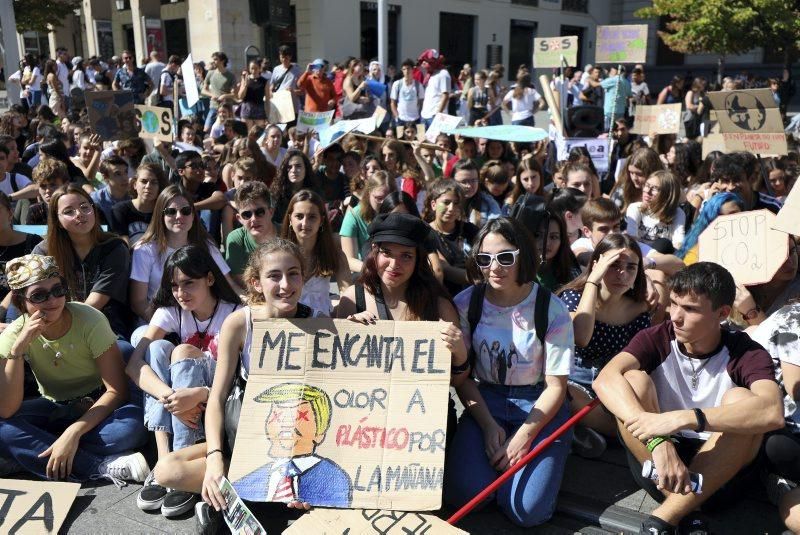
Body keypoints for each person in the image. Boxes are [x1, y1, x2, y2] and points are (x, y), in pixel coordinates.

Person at [145, 239, 325, 529]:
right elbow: (217, 398)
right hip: (242, 442)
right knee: (166, 471)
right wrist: (215, 459)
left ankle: (235, 496)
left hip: (294, 445)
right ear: (255, 283)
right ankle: (237, 489)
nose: (285, 284)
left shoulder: (320, 323)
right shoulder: (240, 323)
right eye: (274, 276)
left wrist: (360, 325)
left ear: (303, 277)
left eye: (293, 274)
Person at [593, 262, 784, 535]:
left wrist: (686, 418)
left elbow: (772, 412)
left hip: (720, 475)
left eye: (691, 309)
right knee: (632, 379)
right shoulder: (657, 337)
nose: (675, 316)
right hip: (660, 467)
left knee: (743, 401)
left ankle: (664, 518)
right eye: (673, 303)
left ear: (722, 314)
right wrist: (660, 442)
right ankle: (687, 511)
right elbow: (605, 379)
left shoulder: (747, 352)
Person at [445, 217, 574, 527]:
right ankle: (505, 473)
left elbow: (556, 386)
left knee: (527, 512)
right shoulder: (466, 303)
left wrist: (525, 436)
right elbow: (462, 377)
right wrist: (488, 426)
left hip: (539, 403)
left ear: (522, 256)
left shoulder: (551, 309)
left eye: (505, 257)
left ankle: (552, 453)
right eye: (485, 259)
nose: (494, 267)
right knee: (460, 495)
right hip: (486, 398)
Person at [0, 254, 149, 485]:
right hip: (55, 406)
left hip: (100, 402)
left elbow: (117, 392)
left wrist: (73, 432)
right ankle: (98, 465)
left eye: (58, 290)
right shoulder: (14, 335)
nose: (53, 300)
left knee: (129, 432)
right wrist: (19, 348)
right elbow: (7, 409)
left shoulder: (89, 319)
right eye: (39, 295)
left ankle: (33, 451)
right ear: (21, 303)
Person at [127, 245, 241, 517]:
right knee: (155, 350)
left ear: (210, 279)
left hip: (219, 398)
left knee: (181, 351)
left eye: (189, 283)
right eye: (174, 285)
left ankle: (184, 455)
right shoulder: (171, 311)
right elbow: (133, 366)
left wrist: (199, 394)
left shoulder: (234, 313)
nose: (180, 293)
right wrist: (172, 398)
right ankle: (164, 459)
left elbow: (240, 382)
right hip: (181, 403)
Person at [33, 184, 132, 338]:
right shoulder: (44, 251)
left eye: (85, 207)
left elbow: (96, 302)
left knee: (124, 351)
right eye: (68, 212)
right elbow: (28, 291)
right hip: (53, 326)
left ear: (94, 210)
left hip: (104, 327)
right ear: (57, 220)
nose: (79, 214)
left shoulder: (115, 248)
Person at [130, 185, 234, 323]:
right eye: (171, 211)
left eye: (185, 211)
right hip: (154, 324)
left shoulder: (206, 246)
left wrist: (254, 306)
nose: (179, 216)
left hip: (204, 324)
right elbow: (138, 303)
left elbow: (230, 286)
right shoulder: (144, 250)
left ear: (193, 215)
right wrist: (168, 327)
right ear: (161, 215)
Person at [281, 189, 350, 314]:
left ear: (322, 220)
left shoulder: (336, 255)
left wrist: (335, 313)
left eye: (312, 217)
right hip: (287, 325)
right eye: (299, 216)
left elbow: (348, 296)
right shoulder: (278, 256)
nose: (305, 223)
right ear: (290, 219)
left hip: (323, 325)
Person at [340, 170, 396, 273]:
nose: (383, 203)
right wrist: (375, 270)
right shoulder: (353, 216)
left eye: (388, 198)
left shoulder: (400, 213)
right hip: (366, 271)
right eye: (378, 198)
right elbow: (348, 259)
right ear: (369, 193)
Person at [625, 170, 686, 254]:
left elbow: (678, 243)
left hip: (663, 258)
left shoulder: (678, 213)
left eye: (654, 188)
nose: (647, 191)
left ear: (667, 194)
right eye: (647, 185)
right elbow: (631, 240)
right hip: (640, 255)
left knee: (663, 244)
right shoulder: (635, 208)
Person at [676, 192, 744, 264]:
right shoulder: (696, 253)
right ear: (709, 221)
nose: (727, 221)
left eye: (733, 214)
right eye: (720, 217)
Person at [111, 163, 167, 246]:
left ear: (160, 187)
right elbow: (123, 245)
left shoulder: (165, 212)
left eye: (154, 182)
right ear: (135, 184)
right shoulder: (119, 210)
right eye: (144, 181)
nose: (148, 186)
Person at [534, 211, 581, 292]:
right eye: (538, 235)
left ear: (562, 241)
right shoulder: (517, 271)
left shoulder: (571, 275)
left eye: (553, 237)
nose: (546, 243)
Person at [270, 149, 318, 227]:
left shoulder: (315, 193)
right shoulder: (276, 194)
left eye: (298, 166)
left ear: (306, 168)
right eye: (289, 167)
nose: (293, 170)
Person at [90, 156, 131, 226]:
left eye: (126, 172)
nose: (125, 178)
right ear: (105, 177)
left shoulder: (135, 196)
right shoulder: (95, 199)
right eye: (118, 174)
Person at [202, 52, 236, 134]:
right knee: (206, 129)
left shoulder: (230, 76)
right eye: (213, 59)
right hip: (214, 106)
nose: (213, 61)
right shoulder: (210, 73)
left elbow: (234, 94)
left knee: (228, 130)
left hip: (227, 108)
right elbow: (203, 90)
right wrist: (212, 95)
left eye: (216, 59)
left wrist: (224, 96)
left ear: (222, 61)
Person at [419, 50, 451, 129]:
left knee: (436, 140)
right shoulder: (430, 74)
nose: (423, 63)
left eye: (426, 61)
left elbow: (445, 95)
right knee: (421, 138)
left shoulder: (443, 74)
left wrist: (438, 114)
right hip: (424, 115)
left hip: (434, 116)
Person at [390, 59, 425, 128]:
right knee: (400, 138)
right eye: (404, 69)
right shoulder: (397, 84)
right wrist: (397, 117)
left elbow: (422, 102)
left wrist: (420, 116)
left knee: (420, 138)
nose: (406, 71)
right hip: (401, 119)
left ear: (413, 70)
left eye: (408, 69)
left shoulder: (419, 85)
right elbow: (392, 103)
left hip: (416, 119)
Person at [236, 60, 268, 129]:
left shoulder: (264, 81)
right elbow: (240, 96)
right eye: (252, 68)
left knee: (259, 134)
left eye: (256, 68)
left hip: (259, 111)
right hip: (247, 111)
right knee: (246, 134)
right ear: (249, 69)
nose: (254, 71)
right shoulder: (245, 79)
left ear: (259, 68)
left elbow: (268, 99)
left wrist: (268, 115)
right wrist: (245, 85)